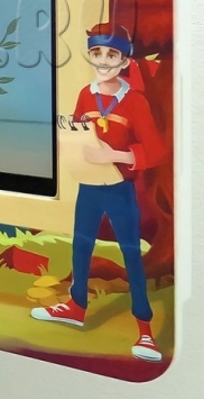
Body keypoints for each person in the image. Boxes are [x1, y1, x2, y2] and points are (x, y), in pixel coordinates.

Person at [31, 23, 167, 362]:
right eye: (97, 53)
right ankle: (76, 306)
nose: (103, 61)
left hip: (120, 188)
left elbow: (156, 150)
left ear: (124, 61)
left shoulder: (135, 102)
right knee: (81, 246)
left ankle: (145, 330)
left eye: (111, 55)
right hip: (89, 186)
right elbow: (80, 130)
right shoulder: (85, 94)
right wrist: (67, 138)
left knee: (131, 253)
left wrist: (116, 155)